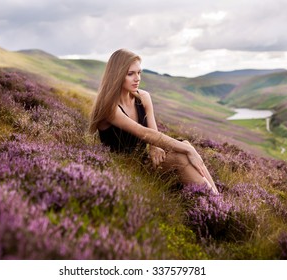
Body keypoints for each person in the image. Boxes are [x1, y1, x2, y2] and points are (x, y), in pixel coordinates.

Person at [89, 49, 218, 194]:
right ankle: (215, 203)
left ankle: (218, 199)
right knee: (182, 155)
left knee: (185, 144)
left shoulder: (143, 97)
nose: (137, 78)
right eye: (130, 74)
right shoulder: (110, 108)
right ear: (117, 75)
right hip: (124, 168)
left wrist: (154, 147)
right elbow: (145, 133)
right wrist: (191, 150)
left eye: (139, 73)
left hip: (143, 160)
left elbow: (153, 134)